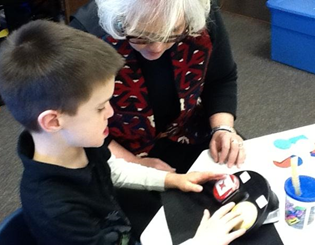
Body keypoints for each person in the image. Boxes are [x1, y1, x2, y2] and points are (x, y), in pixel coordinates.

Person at [0, 20, 246, 245]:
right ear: (53, 121)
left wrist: (173, 179)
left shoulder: (75, 145)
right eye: (100, 107)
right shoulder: (55, 208)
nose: (111, 112)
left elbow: (113, 169)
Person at [70, 0, 246, 174]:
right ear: (119, 20)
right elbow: (77, 120)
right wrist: (133, 163)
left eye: (172, 34)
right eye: (141, 36)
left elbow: (221, 78)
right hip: (118, 147)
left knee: (239, 173)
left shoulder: (197, 11)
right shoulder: (86, 34)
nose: (157, 48)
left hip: (189, 129)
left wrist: (223, 128)